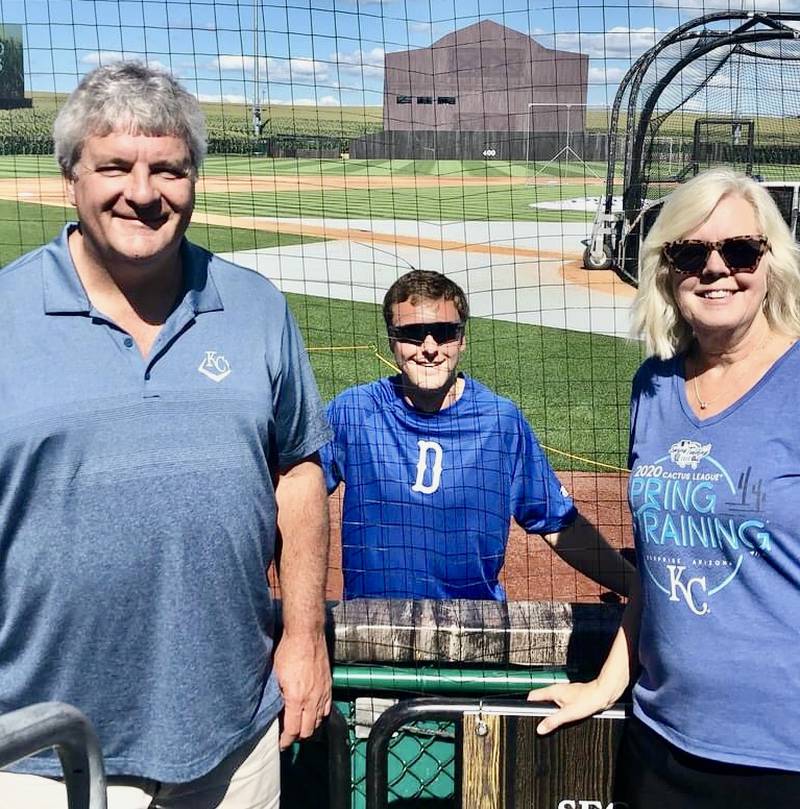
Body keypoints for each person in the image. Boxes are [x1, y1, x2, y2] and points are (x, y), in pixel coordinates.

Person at [0, 63, 331, 808]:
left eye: (168, 170)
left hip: (231, 738)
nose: (143, 193)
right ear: (69, 178)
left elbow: (299, 472)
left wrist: (304, 635)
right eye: (114, 166)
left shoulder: (254, 306)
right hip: (35, 750)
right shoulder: (6, 313)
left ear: (194, 179)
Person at [531, 168, 800, 808]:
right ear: (664, 267)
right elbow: (659, 565)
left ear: (771, 263)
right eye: (691, 252)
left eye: (739, 250)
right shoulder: (653, 387)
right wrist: (605, 685)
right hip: (663, 740)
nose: (716, 269)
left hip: (783, 756)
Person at [320, 270, 634, 600]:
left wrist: (635, 587)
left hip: (474, 631)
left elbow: (557, 522)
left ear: (462, 339)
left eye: (444, 333)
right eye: (412, 334)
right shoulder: (354, 411)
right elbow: (295, 496)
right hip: (372, 630)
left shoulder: (499, 421)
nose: (430, 348)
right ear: (392, 340)